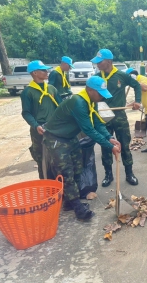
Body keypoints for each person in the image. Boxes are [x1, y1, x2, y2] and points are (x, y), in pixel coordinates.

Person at [43, 76, 121, 221]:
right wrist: (110, 147)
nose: (101, 97)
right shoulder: (78, 102)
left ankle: (69, 202)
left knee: (78, 169)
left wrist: (109, 137)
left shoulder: (91, 101)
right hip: (56, 139)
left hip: (70, 138)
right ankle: (79, 209)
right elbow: (89, 129)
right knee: (66, 174)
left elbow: (97, 121)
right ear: (90, 90)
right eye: (100, 93)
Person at [91, 49, 142, 187]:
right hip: (103, 118)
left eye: (100, 62)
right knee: (106, 146)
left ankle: (129, 173)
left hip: (119, 115)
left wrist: (137, 101)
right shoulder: (97, 78)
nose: (97, 65)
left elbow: (137, 86)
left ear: (109, 61)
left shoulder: (121, 76)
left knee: (124, 145)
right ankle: (108, 175)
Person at [21, 60, 62, 179]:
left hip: (54, 128)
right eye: (43, 70)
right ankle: (46, 187)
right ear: (34, 73)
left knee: (57, 157)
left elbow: (60, 106)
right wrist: (35, 125)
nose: (46, 72)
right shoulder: (28, 92)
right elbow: (26, 113)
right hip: (39, 129)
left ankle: (58, 186)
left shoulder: (51, 89)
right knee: (43, 160)